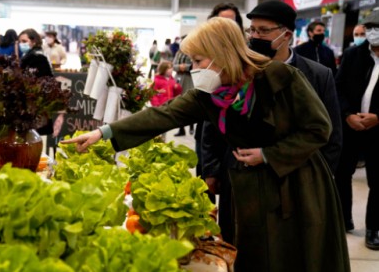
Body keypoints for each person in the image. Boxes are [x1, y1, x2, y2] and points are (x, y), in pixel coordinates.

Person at [63, 17, 350, 272]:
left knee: (294, 254)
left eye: (199, 60)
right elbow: (163, 115)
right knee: (254, 255)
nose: (194, 68)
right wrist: (105, 133)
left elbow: (318, 128)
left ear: (221, 54)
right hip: (249, 190)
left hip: (295, 183)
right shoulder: (208, 92)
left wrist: (268, 154)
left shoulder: (280, 77)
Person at [204, 0, 343, 244]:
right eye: (252, 30)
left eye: (263, 30)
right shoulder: (238, 71)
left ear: (286, 34)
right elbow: (214, 124)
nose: (255, 36)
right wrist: (212, 169)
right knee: (238, 245)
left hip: (295, 180)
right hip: (240, 178)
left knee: (288, 248)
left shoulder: (318, 75)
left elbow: (330, 136)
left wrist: (316, 181)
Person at [334, 9, 379, 249]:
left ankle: (374, 228)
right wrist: (347, 115)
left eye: (377, 28)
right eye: (369, 27)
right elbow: (338, 87)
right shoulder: (353, 55)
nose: (372, 32)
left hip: (377, 130)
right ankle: (343, 219)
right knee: (342, 173)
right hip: (351, 126)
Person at [199, 2, 245, 210]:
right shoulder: (208, 64)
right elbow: (206, 122)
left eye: (232, 23)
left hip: (243, 159)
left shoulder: (249, 65)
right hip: (213, 145)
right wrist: (210, 169)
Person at [19, 28, 54, 135]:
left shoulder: (39, 58)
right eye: (20, 42)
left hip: (36, 104)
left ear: (33, 41)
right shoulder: (28, 57)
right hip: (30, 104)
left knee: (35, 136)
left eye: (24, 41)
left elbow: (46, 81)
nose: (21, 44)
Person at [172, 36, 194, 137]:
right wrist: (180, 67)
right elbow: (174, 65)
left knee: (189, 104)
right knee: (179, 104)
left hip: (189, 80)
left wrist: (186, 67)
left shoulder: (194, 52)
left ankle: (191, 127)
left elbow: (194, 66)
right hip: (178, 80)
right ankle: (181, 129)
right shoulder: (179, 53)